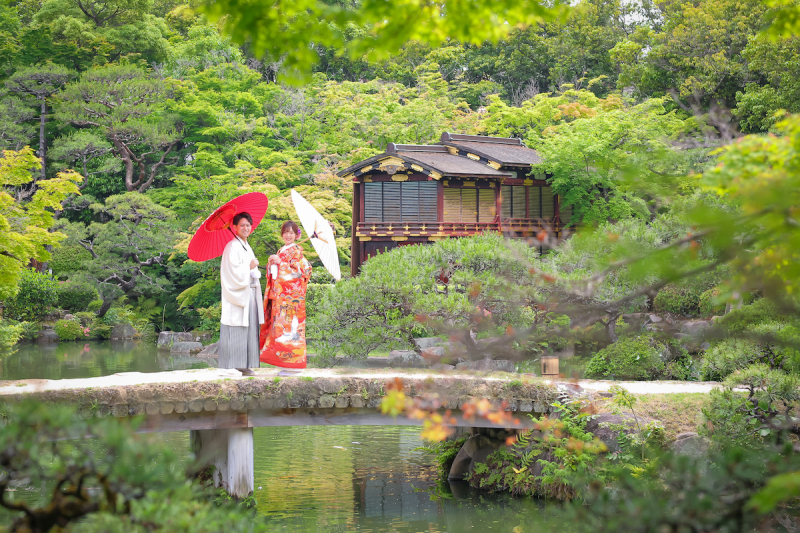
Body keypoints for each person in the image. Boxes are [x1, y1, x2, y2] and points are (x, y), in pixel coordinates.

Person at [259, 221, 312, 370]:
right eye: (285, 232)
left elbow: (301, 271)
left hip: (290, 299)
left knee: (291, 329)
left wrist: (280, 264)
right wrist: (271, 264)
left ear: (296, 235)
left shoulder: (296, 250)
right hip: (279, 297)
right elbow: (275, 275)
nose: (288, 235)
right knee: (280, 329)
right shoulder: (282, 250)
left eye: (291, 233)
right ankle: (283, 364)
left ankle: (293, 365)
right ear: (282, 234)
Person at [219, 212, 264, 376]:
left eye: (248, 225)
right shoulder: (232, 246)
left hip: (249, 293)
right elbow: (232, 272)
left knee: (250, 328)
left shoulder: (246, 245)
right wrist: (249, 267)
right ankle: (238, 364)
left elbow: (251, 270)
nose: (246, 228)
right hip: (238, 294)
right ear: (235, 227)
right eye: (242, 225)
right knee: (238, 328)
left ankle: (246, 364)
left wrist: (252, 269)